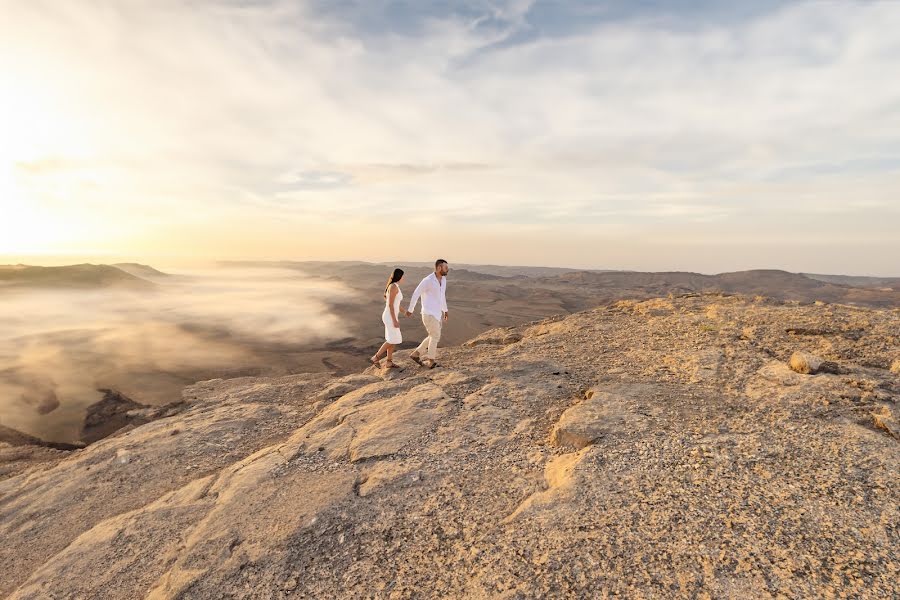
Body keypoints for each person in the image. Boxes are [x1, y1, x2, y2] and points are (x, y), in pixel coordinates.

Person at [405, 259, 449, 368]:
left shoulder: (443, 280)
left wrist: (445, 310)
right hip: (428, 314)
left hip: (437, 314)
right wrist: (410, 309)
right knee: (435, 336)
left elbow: (442, 296)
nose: (447, 270)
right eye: (445, 267)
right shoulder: (427, 280)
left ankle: (416, 354)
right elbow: (416, 293)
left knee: (433, 336)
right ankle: (431, 361)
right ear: (439, 268)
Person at [371, 268, 406, 369]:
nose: (404, 278)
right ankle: (376, 357)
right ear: (399, 276)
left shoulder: (395, 286)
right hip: (390, 316)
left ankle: (389, 362)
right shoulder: (394, 287)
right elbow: (390, 305)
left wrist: (405, 312)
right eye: (403, 276)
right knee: (392, 339)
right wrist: (394, 320)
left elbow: (396, 304)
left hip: (391, 316)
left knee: (393, 339)